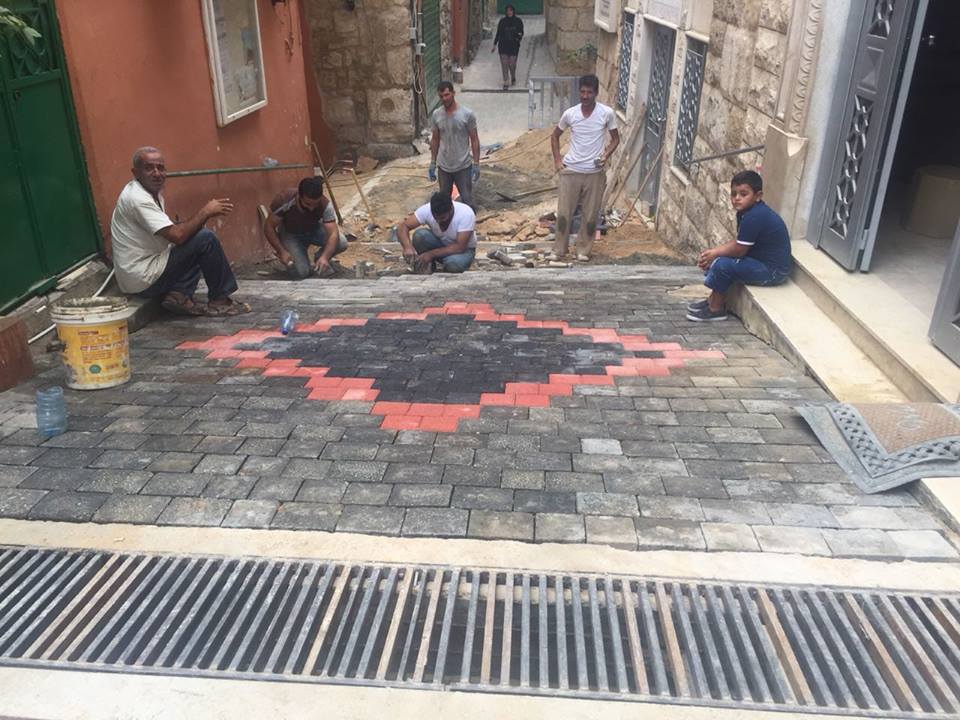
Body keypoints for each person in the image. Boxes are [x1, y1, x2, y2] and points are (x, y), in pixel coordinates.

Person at [110, 146, 249, 316]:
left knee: (195, 233)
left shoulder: (148, 192)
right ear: (136, 173)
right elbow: (178, 236)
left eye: (160, 168)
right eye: (149, 168)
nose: (156, 173)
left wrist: (193, 225)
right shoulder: (138, 198)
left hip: (143, 272)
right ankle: (220, 302)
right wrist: (206, 211)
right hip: (142, 280)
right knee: (205, 239)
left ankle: (179, 295)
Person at [686, 170, 792, 322]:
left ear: (758, 196)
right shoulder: (746, 213)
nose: (737, 198)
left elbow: (740, 250)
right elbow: (740, 242)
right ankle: (712, 300)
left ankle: (716, 309)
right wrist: (714, 253)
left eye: (743, 194)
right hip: (758, 261)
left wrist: (715, 254)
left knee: (722, 265)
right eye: (734, 194)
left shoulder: (755, 216)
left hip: (773, 271)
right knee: (719, 259)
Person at [550, 74, 619, 262]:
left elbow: (616, 139)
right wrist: (557, 161)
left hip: (594, 173)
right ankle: (559, 250)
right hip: (571, 171)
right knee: (564, 214)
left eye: (589, 92)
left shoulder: (606, 113)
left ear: (596, 93)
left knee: (590, 215)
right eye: (582, 92)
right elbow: (554, 136)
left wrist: (605, 155)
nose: (585, 96)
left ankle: (583, 250)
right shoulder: (570, 114)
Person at [263, 176, 348, 279]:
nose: (311, 208)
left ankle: (319, 259)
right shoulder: (283, 200)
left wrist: (325, 257)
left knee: (342, 242)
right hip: (291, 235)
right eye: (307, 204)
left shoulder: (325, 204)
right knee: (302, 273)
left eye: (315, 204)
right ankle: (300, 259)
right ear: (299, 196)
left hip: (314, 230)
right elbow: (268, 227)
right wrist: (281, 251)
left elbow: (333, 233)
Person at [395, 191, 476, 274]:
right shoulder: (427, 209)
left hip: (463, 251)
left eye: (443, 218)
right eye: (435, 218)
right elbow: (403, 227)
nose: (438, 221)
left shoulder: (466, 214)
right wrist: (407, 247)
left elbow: (459, 247)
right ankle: (426, 266)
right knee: (419, 235)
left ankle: (447, 263)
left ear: (451, 209)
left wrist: (430, 254)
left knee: (453, 265)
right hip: (440, 244)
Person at [429, 81, 481, 209]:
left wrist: (476, 163)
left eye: (447, 95)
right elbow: (435, 139)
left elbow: (474, 139)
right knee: (444, 203)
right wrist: (433, 162)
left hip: (463, 166)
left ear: (453, 93)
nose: (444, 99)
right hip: (444, 167)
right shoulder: (436, 115)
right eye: (441, 96)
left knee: (467, 200)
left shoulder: (467, 115)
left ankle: (470, 220)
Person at [492, 5, 524, 91]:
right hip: (503, 45)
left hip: (514, 45)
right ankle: (506, 81)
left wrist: (518, 38)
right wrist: (494, 44)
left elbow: (521, 32)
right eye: (508, 11)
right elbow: (498, 33)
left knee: (512, 64)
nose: (509, 12)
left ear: (513, 11)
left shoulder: (518, 21)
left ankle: (513, 76)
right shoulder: (502, 21)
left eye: (511, 10)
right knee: (504, 64)